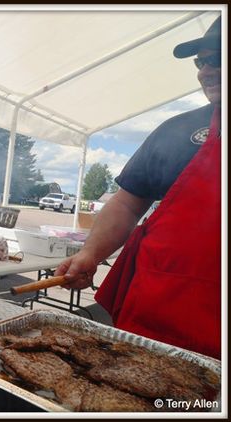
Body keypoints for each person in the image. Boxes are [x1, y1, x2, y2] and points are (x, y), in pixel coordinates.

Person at [55, 16, 221, 359]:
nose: (206, 71)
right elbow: (128, 202)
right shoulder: (178, 130)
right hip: (150, 314)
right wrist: (90, 254)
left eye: (218, 58)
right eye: (201, 61)